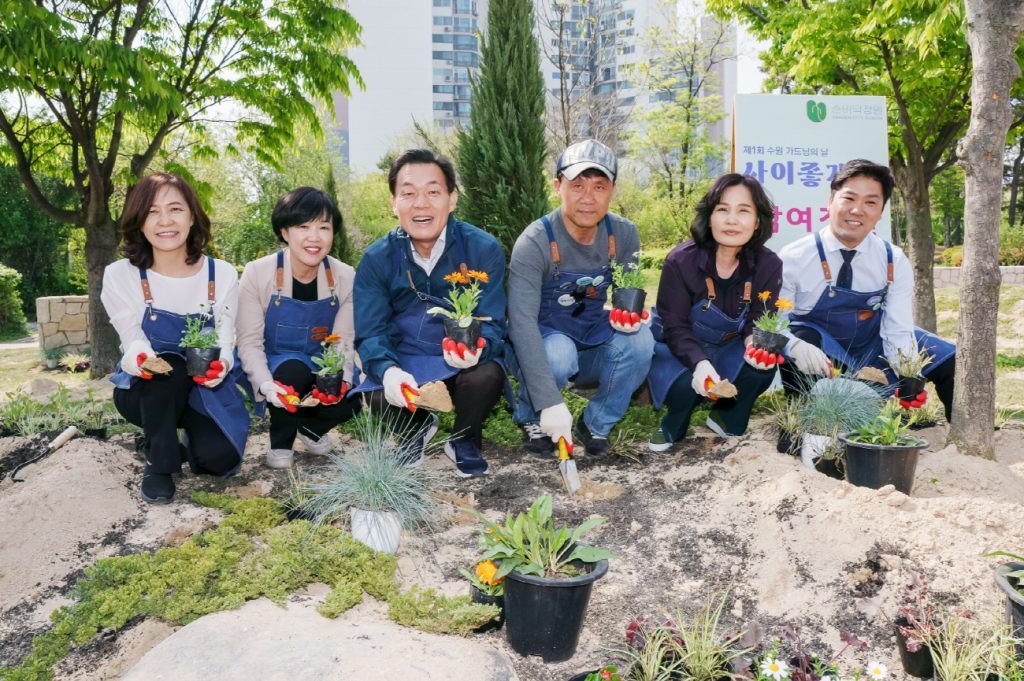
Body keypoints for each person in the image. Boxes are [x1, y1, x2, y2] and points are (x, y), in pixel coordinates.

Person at [351, 149, 507, 478]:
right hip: (408, 357)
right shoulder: (377, 258)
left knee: (487, 375)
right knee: (377, 393)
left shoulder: (483, 249)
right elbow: (371, 332)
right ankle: (415, 429)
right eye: (408, 193)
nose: (420, 203)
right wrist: (389, 371)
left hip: (461, 360)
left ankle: (465, 438)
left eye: (433, 192)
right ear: (394, 203)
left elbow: (493, 324)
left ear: (452, 199)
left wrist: (479, 349)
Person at [101, 172, 249, 503]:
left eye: (176, 209)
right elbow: (131, 338)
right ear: (139, 221)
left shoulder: (221, 273)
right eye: (153, 211)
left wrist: (222, 365)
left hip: (202, 391)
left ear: (192, 216)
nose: (165, 221)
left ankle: (164, 436)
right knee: (170, 367)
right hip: (145, 391)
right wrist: (140, 359)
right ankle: (159, 464)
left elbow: (226, 338)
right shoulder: (119, 275)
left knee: (220, 460)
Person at [508, 139, 655, 459]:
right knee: (560, 354)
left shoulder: (624, 234)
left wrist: (630, 316)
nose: (588, 198)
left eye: (599, 186)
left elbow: (625, 297)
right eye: (577, 185)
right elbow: (520, 323)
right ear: (557, 186)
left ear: (612, 189)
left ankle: (596, 423)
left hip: (591, 330)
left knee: (642, 338)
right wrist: (549, 402)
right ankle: (532, 416)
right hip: (545, 339)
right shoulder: (534, 242)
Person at [778, 159, 956, 419]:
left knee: (953, 362)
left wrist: (909, 373)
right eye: (849, 198)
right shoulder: (794, 257)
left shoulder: (892, 260)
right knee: (802, 338)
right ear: (830, 202)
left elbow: (897, 328)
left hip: (875, 343)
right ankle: (804, 419)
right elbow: (777, 325)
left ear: (881, 212)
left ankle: (965, 443)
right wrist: (794, 347)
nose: (857, 210)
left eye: (870, 202)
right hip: (822, 350)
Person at [646, 174, 784, 451]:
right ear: (709, 217)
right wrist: (700, 364)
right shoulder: (680, 261)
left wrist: (754, 347)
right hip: (679, 348)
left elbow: (759, 318)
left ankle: (726, 416)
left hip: (729, 346)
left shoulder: (768, 264)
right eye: (722, 209)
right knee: (685, 384)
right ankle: (675, 420)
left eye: (743, 211)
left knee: (761, 371)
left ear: (757, 222)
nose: (732, 220)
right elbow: (674, 327)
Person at [236, 187, 361, 469]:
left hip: (321, 363)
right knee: (293, 371)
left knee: (353, 395)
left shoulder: (345, 276)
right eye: (303, 226)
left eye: (324, 227)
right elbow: (249, 343)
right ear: (284, 232)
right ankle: (280, 442)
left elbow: (342, 341)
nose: (314, 237)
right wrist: (266, 386)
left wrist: (343, 380)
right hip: (274, 365)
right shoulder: (258, 273)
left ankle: (310, 428)